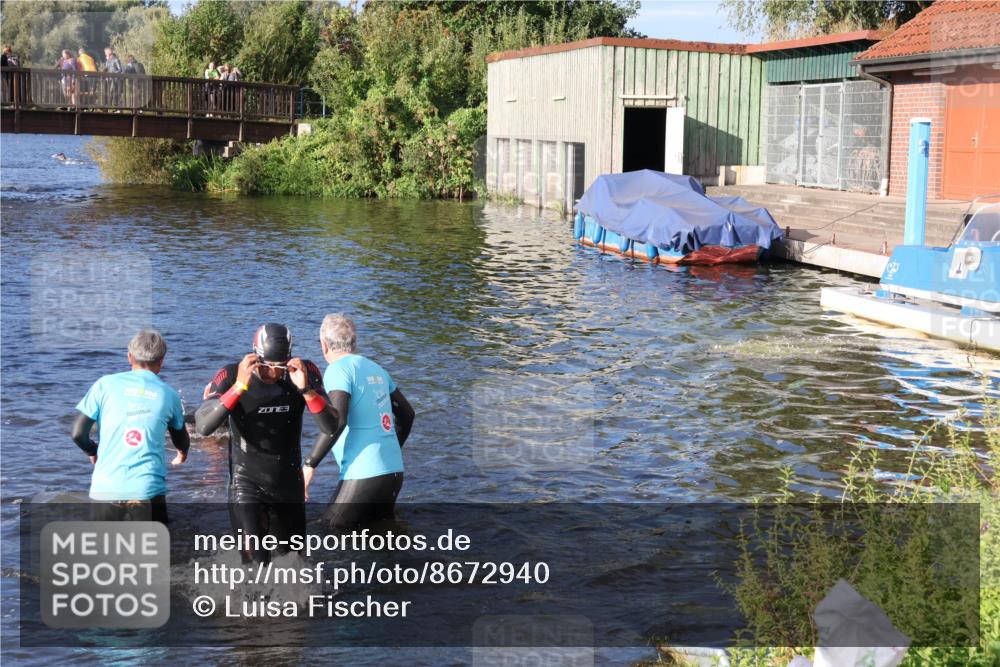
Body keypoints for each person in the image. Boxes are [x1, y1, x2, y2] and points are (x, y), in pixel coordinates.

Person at [195, 324, 338, 562]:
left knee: (293, 564)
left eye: (280, 366)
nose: (273, 373)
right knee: (254, 566)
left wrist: (306, 390)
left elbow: (331, 426)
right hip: (246, 482)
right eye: (267, 365)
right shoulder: (232, 374)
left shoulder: (304, 371)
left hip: (288, 482)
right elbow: (204, 425)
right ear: (255, 356)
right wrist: (240, 387)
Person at [303, 314, 415, 531]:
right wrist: (388, 448)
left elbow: (338, 421)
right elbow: (407, 415)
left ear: (324, 345)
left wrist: (309, 465)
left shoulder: (338, 370)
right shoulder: (377, 369)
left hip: (364, 474)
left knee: (329, 534)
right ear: (354, 343)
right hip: (393, 472)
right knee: (380, 541)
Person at [71, 330, 190, 524]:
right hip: (146, 490)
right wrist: (182, 452)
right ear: (161, 361)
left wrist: (92, 450)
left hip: (105, 489)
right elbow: (180, 436)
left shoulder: (104, 385)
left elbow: (77, 433)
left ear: (129, 356)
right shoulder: (169, 394)